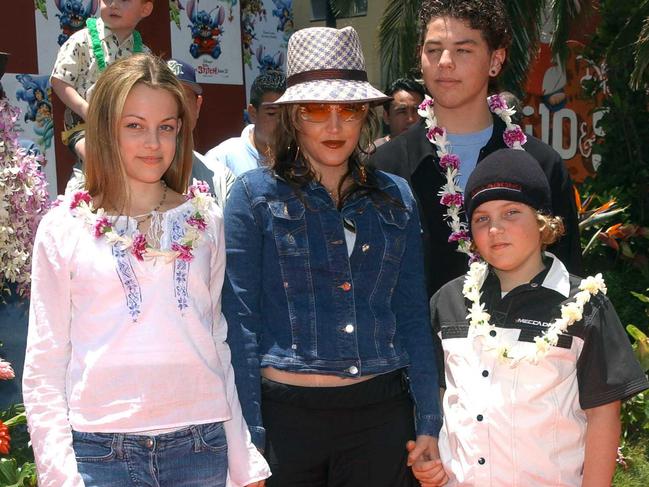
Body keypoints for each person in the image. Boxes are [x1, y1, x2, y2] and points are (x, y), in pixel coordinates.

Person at [23, 54, 270, 487]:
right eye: (134, 125)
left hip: (201, 446)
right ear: (105, 128)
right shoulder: (63, 226)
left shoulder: (206, 218)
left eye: (167, 127)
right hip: (100, 454)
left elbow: (216, 339)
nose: (153, 143)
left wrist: (242, 457)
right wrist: (59, 476)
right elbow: (45, 363)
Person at [222, 26, 446, 487]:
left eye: (348, 109)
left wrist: (428, 422)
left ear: (365, 115)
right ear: (291, 116)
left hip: (380, 418)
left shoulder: (395, 196)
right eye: (316, 110)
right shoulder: (252, 196)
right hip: (285, 424)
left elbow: (410, 314)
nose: (334, 124)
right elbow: (239, 321)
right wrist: (247, 435)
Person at [418, 149, 649, 487]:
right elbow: (440, 394)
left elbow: (603, 413)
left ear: (544, 223)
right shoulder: (449, 301)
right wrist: (431, 453)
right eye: (482, 218)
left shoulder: (584, 306)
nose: (495, 228)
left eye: (511, 212)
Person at [371, 0, 582, 297]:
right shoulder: (386, 167)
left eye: (463, 50)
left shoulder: (540, 165)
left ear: (495, 60)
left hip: (526, 340)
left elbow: (567, 279)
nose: (445, 61)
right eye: (433, 50)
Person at [51, 0, 153, 161]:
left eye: (124, 0)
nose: (113, 5)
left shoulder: (144, 55)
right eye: (108, 0)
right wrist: (86, 110)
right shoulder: (81, 39)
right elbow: (59, 80)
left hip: (127, 130)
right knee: (98, 160)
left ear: (145, 9)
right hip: (85, 127)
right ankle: (80, 185)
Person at [166, 58, 236, 207]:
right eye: (167, 100)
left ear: (197, 106)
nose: (176, 110)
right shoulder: (133, 174)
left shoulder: (221, 178)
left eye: (183, 99)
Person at [205, 72, 286, 176]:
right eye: (272, 113)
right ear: (253, 113)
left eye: (287, 114)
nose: (282, 122)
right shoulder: (222, 158)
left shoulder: (300, 157)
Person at [374, 77, 426, 148]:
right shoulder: (373, 154)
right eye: (402, 111)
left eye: (417, 110)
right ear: (386, 117)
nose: (410, 119)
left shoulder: (436, 151)